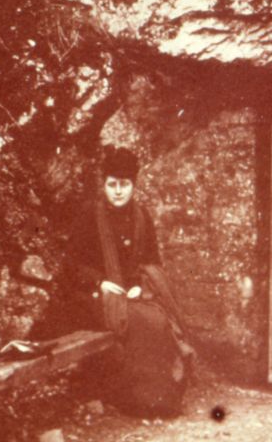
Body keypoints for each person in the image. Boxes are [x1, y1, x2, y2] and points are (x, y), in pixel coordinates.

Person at [67, 145, 193, 416]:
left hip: (132, 294)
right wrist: (99, 282)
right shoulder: (90, 214)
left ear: (133, 185)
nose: (118, 191)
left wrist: (138, 284)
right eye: (112, 184)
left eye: (124, 184)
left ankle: (161, 398)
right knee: (140, 321)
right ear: (104, 185)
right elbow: (72, 264)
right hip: (93, 296)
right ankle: (137, 399)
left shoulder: (141, 216)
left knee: (158, 321)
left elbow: (152, 261)